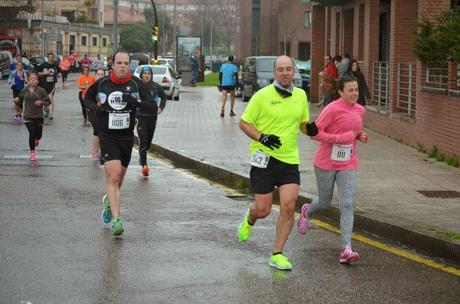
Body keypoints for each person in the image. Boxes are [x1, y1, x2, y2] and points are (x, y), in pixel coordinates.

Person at [237, 55, 310, 271]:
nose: (285, 73)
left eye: (289, 69)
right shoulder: (262, 96)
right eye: (281, 69)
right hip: (264, 160)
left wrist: (311, 129)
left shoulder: (301, 95)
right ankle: (250, 218)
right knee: (263, 209)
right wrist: (262, 137)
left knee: (288, 206)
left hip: (289, 160)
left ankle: (277, 254)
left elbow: (303, 124)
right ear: (275, 72)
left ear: (294, 71)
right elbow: (244, 123)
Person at [297, 74, 369, 264]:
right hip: (326, 162)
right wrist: (339, 139)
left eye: (356, 90)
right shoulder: (332, 109)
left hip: (348, 163)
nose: (355, 93)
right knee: (324, 202)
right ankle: (307, 211)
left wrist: (359, 136)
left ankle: (346, 248)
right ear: (340, 92)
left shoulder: (360, 110)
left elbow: (353, 132)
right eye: (350, 90)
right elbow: (314, 134)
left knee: (347, 204)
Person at [85, 50, 154, 236]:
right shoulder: (103, 83)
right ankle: (117, 220)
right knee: (113, 176)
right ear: (113, 65)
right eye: (119, 63)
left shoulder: (137, 84)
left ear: (129, 65)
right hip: (107, 135)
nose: (122, 66)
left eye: (126, 63)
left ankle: (109, 201)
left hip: (126, 137)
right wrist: (95, 110)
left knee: (119, 177)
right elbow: (87, 98)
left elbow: (151, 106)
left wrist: (136, 102)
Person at [136, 66, 167, 177]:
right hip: (141, 117)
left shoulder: (156, 86)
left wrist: (160, 108)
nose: (147, 75)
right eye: (145, 73)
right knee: (143, 142)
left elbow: (163, 98)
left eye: (149, 73)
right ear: (142, 75)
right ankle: (144, 165)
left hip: (152, 118)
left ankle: (142, 157)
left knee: (148, 143)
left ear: (151, 74)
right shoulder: (138, 86)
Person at [14, 72, 50, 161]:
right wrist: (16, 100)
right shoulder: (24, 90)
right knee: (32, 134)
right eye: (31, 79)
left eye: (34, 79)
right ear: (28, 81)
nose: (33, 80)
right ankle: (32, 153)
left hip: (39, 116)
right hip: (28, 115)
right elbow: (19, 100)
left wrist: (41, 102)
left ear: (37, 81)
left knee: (38, 135)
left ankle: (37, 139)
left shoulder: (41, 90)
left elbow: (48, 102)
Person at [85, 69, 105, 160]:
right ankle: (95, 152)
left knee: (103, 131)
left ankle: (103, 151)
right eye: (98, 74)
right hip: (92, 111)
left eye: (102, 74)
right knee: (97, 129)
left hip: (103, 111)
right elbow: (85, 97)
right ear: (95, 75)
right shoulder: (92, 86)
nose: (100, 76)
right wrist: (94, 105)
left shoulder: (107, 86)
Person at [35, 52, 59, 120]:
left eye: (52, 57)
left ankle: (51, 114)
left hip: (51, 86)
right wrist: (45, 73)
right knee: (46, 103)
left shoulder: (55, 65)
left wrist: (57, 75)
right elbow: (38, 73)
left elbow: (57, 72)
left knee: (50, 98)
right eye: (50, 57)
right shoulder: (43, 65)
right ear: (47, 58)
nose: (51, 58)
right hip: (43, 86)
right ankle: (47, 111)